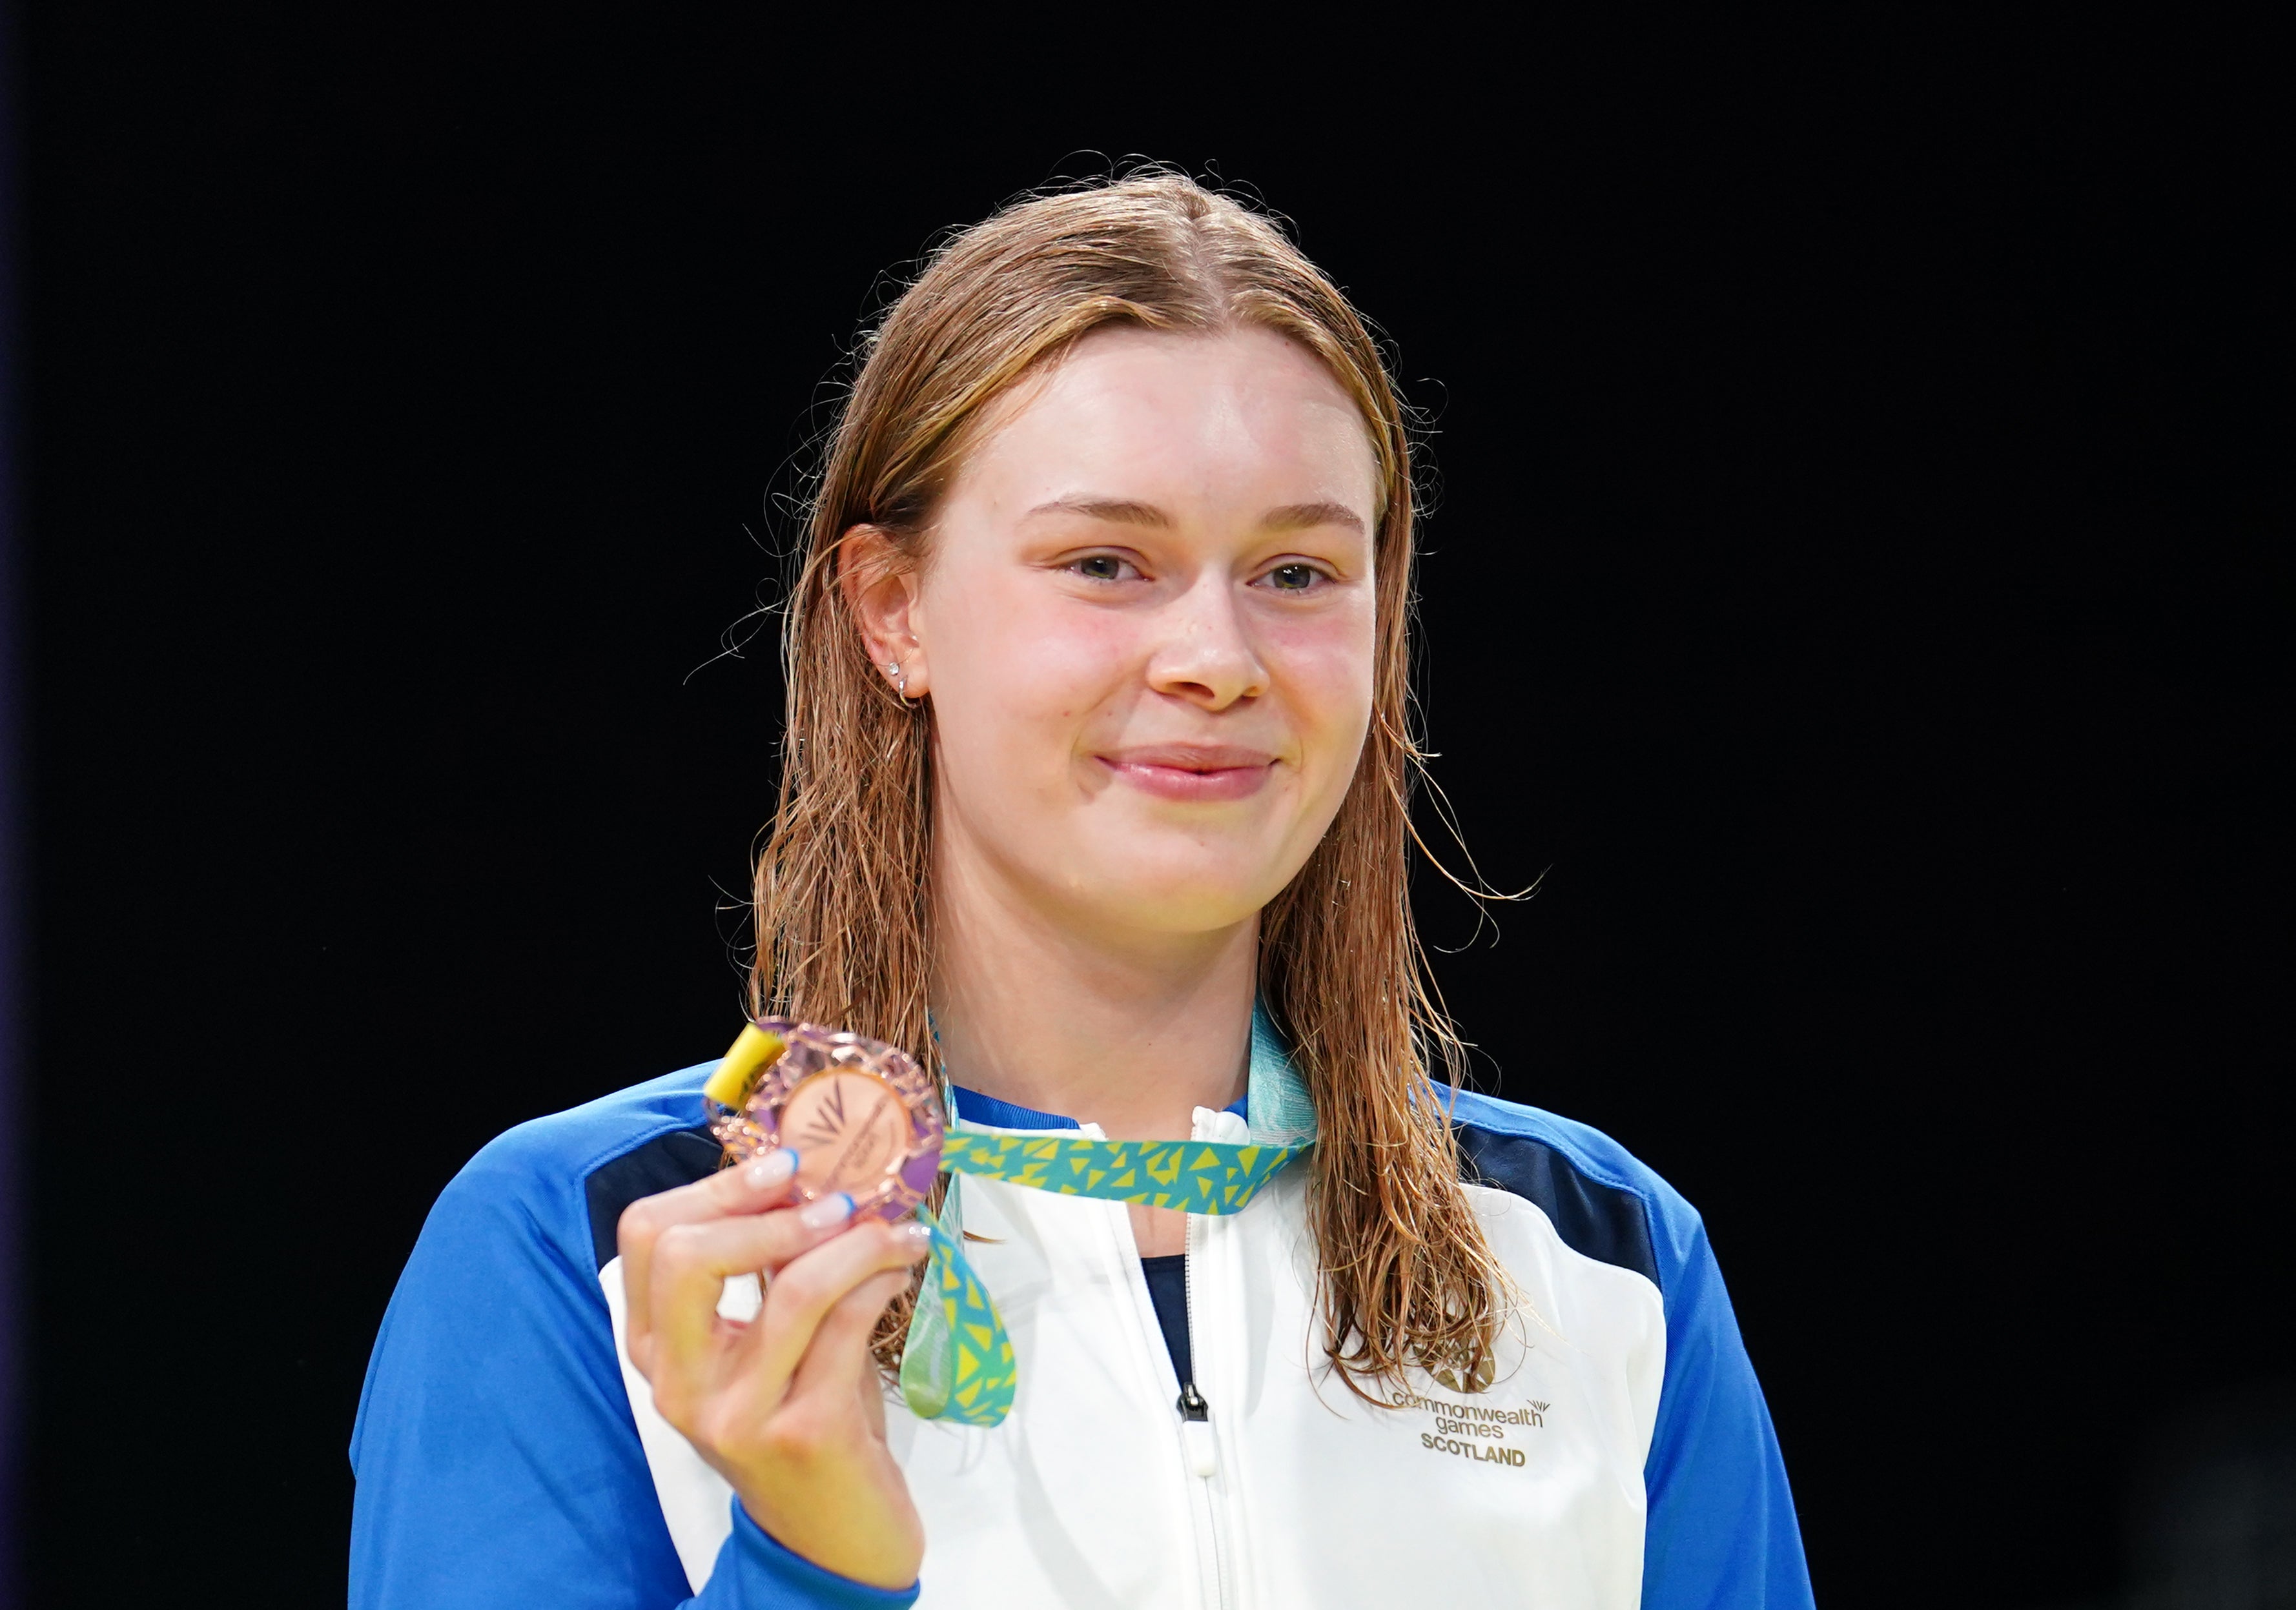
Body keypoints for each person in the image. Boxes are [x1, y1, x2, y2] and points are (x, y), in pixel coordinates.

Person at [348, 172, 1815, 1609]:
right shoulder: (600, 1245)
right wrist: (810, 1568)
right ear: (892, 609)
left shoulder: (1602, 1260)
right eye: (1106, 561)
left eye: (1297, 572)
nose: (1215, 656)